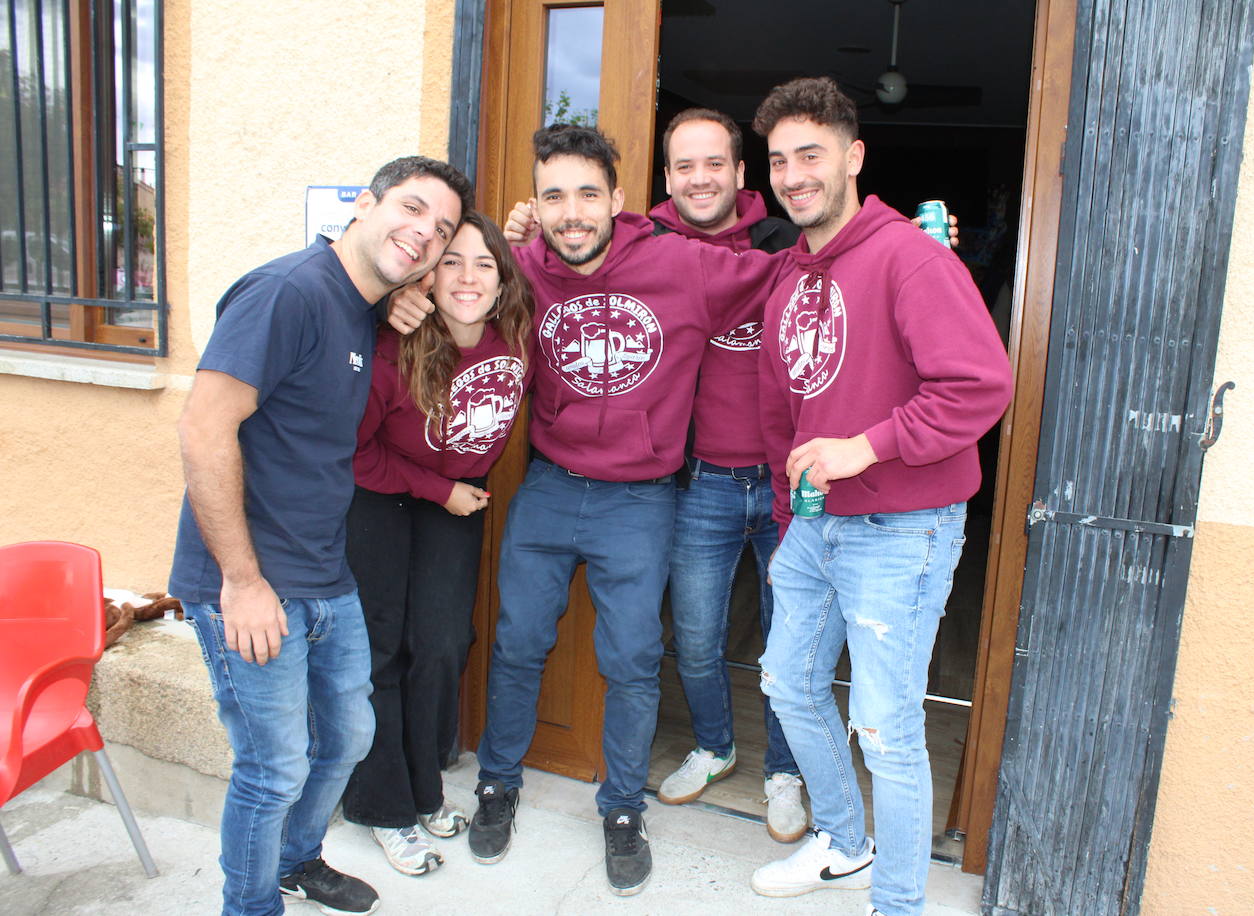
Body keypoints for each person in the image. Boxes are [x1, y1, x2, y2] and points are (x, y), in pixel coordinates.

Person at [391, 123, 783, 897]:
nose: (571, 213)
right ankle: (497, 783)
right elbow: (448, 283)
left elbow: (796, 272)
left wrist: (908, 244)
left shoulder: (683, 264)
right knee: (517, 644)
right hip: (549, 488)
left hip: (640, 501)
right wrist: (404, 295)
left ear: (618, 199)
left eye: (587, 194)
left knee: (632, 661)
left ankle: (624, 808)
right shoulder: (520, 268)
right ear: (536, 204)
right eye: (554, 196)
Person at [170, 156, 470, 916]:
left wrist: (401, 299)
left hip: (325, 574)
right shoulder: (286, 292)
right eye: (411, 209)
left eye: (440, 230)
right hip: (250, 581)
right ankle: (250, 905)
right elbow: (204, 431)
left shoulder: (359, 305)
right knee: (273, 767)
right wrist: (242, 583)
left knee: (346, 739)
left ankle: (297, 860)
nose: (424, 234)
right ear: (364, 204)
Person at [747, 78, 1012, 916]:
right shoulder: (789, 276)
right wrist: (789, 521)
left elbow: (979, 386)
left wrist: (864, 447)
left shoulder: (910, 257)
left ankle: (897, 903)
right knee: (789, 686)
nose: (794, 175)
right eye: (779, 160)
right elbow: (784, 413)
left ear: (854, 156)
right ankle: (844, 843)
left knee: (885, 728)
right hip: (815, 528)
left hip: (904, 527)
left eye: (811, 155)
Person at [340, 209, 534, 877]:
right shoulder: (395, 346)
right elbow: (356, 452)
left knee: (444, 644)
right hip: (381, 497)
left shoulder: (516, 337)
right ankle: (382, 807)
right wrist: (438, 489)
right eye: (451, 262)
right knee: (381, 652)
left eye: (484, 263)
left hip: (455, 500)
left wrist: (530, 224)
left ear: (505, 279)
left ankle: (424, 787)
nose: (468, 277)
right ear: (427, 275)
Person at [645, 108, 808, 844]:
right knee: (697, 639)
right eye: (684, 166)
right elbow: (565, 262)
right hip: (698, 482)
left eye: (715, 163)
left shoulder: (789, 241)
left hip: (786, 483)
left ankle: (784, 771)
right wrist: (521, 230)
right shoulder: (643, 247)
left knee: (788, 639)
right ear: (667, 177)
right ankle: (715, 747)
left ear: (742, 173)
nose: (700, 178)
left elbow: (871, 261)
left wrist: (928, 242)